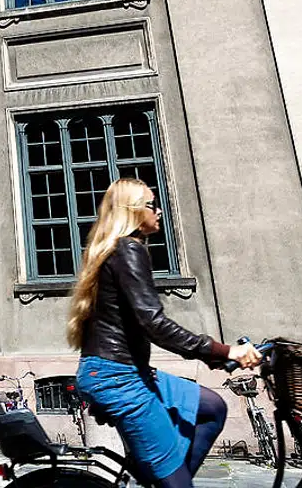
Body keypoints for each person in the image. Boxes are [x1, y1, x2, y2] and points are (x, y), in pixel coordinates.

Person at [70, 179, 261, 488]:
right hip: (118, 378)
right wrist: (224, 351)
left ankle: (166, 479)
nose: (159, 211)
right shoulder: (129, 249)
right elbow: (154, 323)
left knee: (211, 408)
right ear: (133, 211)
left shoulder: (117, 250)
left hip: (124, 370)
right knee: (176, 482)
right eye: (152, 205)